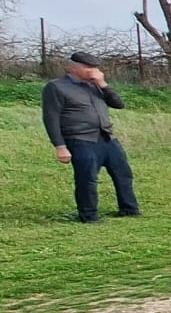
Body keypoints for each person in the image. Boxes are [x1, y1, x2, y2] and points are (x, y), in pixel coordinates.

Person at [42, 51, 140, 223]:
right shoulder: (56, 87)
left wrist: (103, 84)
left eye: (95, 67)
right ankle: (89, 216)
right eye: (88, 67)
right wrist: (60, 146)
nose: (93, 71)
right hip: (80, 139)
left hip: (107, 137)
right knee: (87, 179)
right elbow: (51, 118)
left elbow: (118, 104)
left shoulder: (96, 85)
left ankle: (129, 209)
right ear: (73, 68)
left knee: (123, 174)